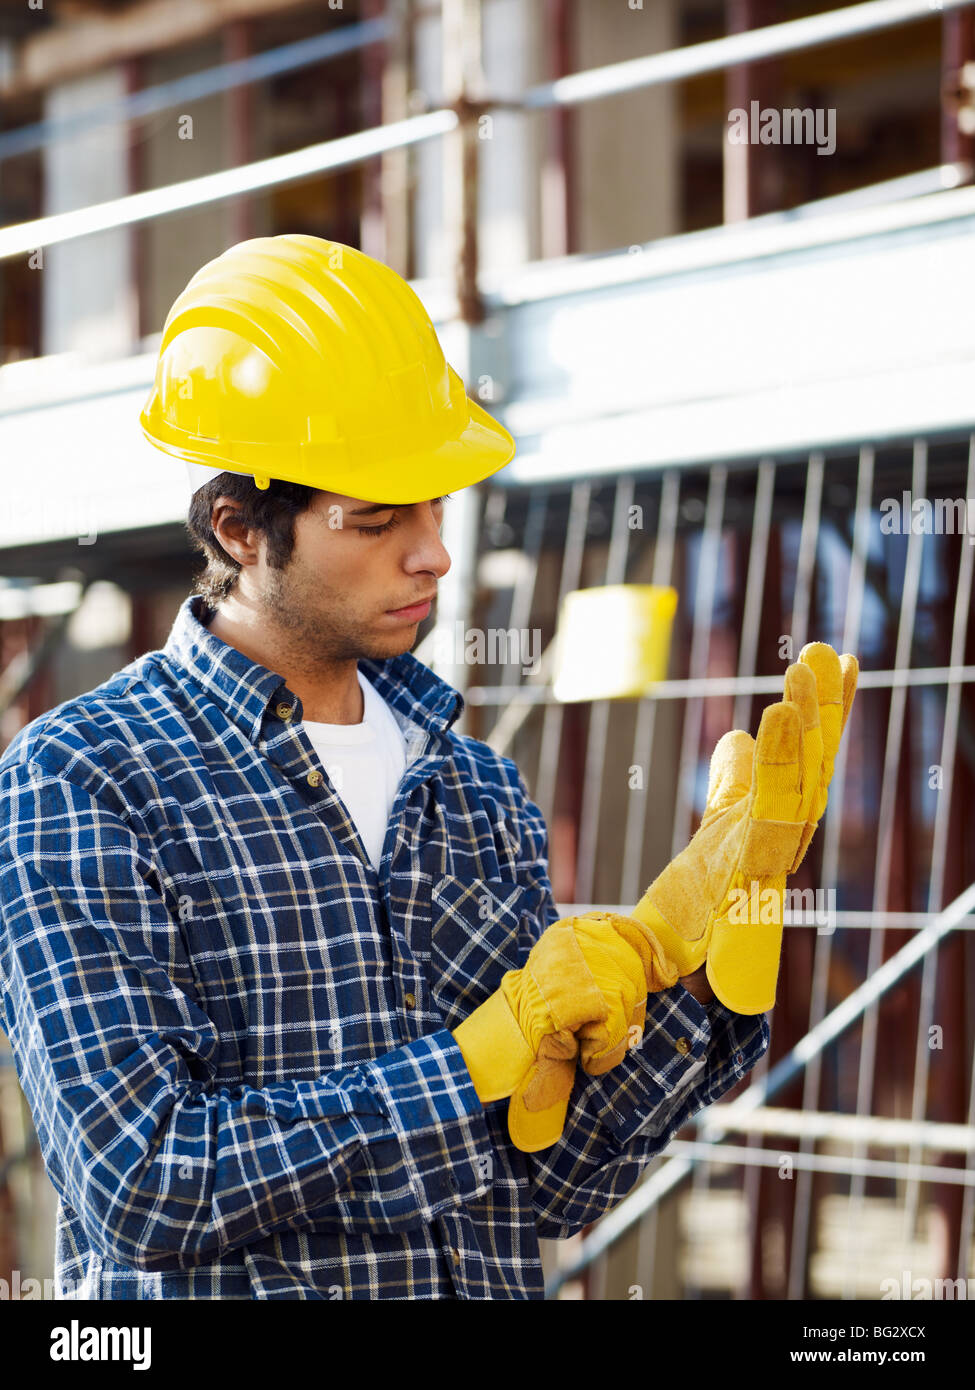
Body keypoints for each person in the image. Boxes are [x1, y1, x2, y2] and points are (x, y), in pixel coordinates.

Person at [0, 235, 854, 1300]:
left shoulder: (476, 791)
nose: (433, 553)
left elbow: (551, 1186)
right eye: (377, 516)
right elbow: (140, 1180)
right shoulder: (88, 777)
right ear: (239, 526)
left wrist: (709, 980)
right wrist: (463, 1068)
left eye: (437, 503)